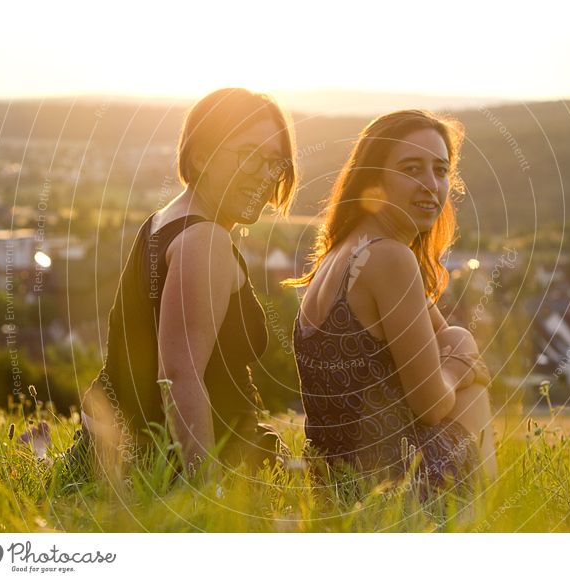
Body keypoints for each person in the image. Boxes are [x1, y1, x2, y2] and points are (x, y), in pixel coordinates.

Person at [74, 88, 298, 479]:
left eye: (275, 163)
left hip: (133, 460)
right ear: (201, 156)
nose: (266, 175)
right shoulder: (203, 239)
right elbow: (179, 375)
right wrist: (207, 494)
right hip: (174, 467)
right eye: (248, 155)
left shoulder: (163, 223)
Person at [286, 110, 497, 495]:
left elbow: (440, 336)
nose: (430, 185)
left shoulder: (338, 255)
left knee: (458, 338)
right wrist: (461, 365)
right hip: (387, 486)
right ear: (374, 179)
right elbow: (431, 404)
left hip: (332, 487)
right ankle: (483, 520)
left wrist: (456, 345)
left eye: (440, 170)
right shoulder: (388, 258)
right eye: (411, 168)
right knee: (468, 372)